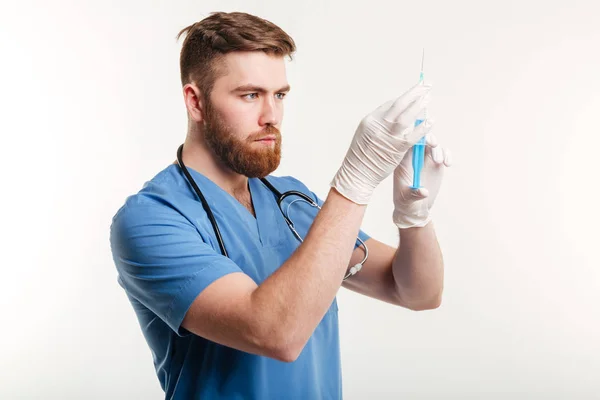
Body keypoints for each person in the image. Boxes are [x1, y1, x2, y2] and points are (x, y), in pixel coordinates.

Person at [109, 11, 452, 400]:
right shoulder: (151, 219)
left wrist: (413, 216)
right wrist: (354, 182)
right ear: (196, 102)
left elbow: (418, 293)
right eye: (251, 95)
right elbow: (276, 333)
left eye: (280, 95)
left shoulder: (292, 203)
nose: (272, 116)